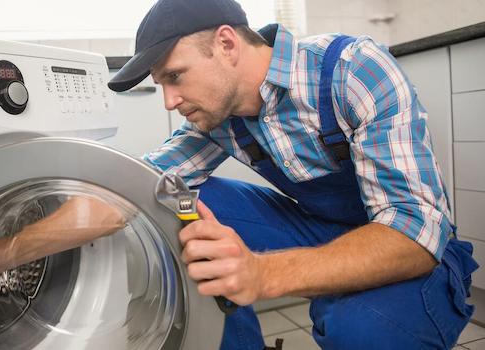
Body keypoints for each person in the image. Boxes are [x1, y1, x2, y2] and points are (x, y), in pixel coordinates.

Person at [107, 0, 479, 349]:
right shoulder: (218, 113)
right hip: (321, 228)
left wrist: (264, 274)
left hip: (411, 244)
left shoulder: (352, 69)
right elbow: (139, 185)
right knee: (178, 204)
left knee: (360, 330)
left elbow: (415, 229)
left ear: (225, 44)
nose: (170, 101)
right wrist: (47, 231)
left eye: (175, 76)